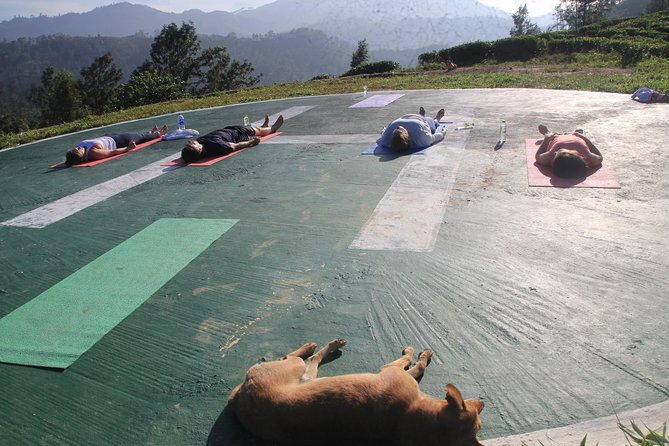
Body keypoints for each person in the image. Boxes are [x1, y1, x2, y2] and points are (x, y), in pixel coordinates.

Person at [181, 114, 284, 163]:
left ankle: (265, 126)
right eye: (193, 144)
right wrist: (250, 142)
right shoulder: (217, 147)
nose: (192, 141)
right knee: (256, 130)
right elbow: (235, 146)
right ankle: (273, 128)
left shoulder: (199, 144)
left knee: (256, 128)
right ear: (199, 150)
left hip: (229, 129)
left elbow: (186, 155)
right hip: (238, 135)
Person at [66, 125, 168, 165]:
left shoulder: (80, 148)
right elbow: (112, 152)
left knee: (139, 136)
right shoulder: (93, 152)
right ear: (82, 157)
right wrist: (127, 148)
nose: (78, 147)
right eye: (78, 150)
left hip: (109, 136)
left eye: (76, 148)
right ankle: (158, 134)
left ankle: (150, 133)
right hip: (118, 142)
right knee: (138, 137)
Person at [534, 124, 603, 178]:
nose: (555, 152)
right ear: (579, 156)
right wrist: (584, 138)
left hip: (556, 138)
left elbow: (538, 155)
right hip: (577, 137)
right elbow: (600, 157)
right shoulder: (588, 157)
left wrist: (547, 139)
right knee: (575, 134)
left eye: (555, 154)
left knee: (552, 136)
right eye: (559, 152)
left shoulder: (549, 157)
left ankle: (548, 132)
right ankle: (574, 134)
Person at [376, 107, 446, 152]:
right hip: (422, 120)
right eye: (401, 130)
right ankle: (437, 119)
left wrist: (385, 131)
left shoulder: (386, 139)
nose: (399, 127)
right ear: (408, 137)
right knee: (433, 126)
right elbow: (435, 137)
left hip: (407, 117)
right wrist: (443, 132)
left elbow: (383, 135)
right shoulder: (422, 139)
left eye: (396, 130)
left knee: (430, 126)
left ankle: (423, 115)